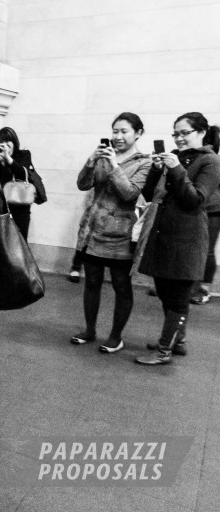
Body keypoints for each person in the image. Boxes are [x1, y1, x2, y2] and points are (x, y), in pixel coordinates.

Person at [134, 112, 220, 365]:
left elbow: (195, 199)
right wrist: (157, 168)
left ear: (201, 132)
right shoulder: (177, 157)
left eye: (185, 133)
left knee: (179, 296)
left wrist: (176, 168)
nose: (179, 138)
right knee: (163, 290)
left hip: (187, 237)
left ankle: (164, 350)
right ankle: (177, 340)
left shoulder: (211, 162)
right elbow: (150, 193)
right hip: (163, 233)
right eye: (176, 133)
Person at [69, 113, 152, 353]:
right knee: (92, 281)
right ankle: (90, 329)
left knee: (121, 285)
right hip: (93, 231)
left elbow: (130, 193)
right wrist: (91, 161)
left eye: (124, 131)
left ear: (138, 133)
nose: (117, 136)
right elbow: (83, 184)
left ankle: (116, 336)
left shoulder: (144, 162)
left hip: (121, 235)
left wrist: (115, 165)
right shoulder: (103, 156)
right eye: (115, 131)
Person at [0, 127, 46, 240]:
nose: (4, 144)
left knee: (19, 244)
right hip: (2, 209)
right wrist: (0, 164)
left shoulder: (24, 155)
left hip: (20, 208)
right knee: (3, 244)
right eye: (1, 141)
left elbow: (22, 174)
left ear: (14, 142)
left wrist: (8, 159)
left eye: (7, 141)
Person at [190, 180, 220, 304]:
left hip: (213, 206)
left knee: (207, 249)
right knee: (189, 247)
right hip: (193, 203)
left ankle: (203, 290)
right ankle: (188, 287)